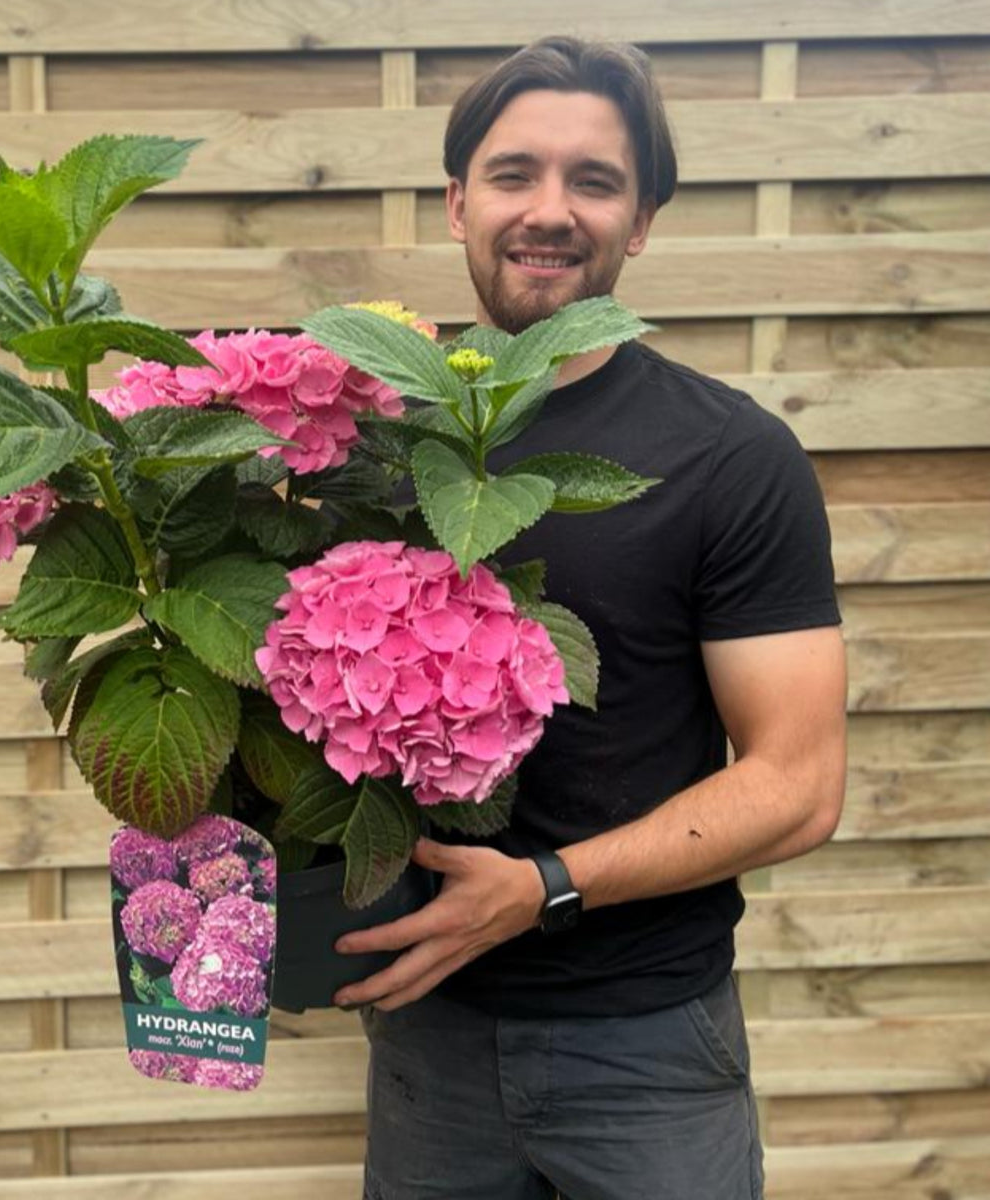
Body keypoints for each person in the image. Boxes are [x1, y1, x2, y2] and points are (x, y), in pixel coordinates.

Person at [332, 35, 848, 1200]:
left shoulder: (730, 457)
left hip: (647, 1051)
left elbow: (801, 782)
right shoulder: (372, 439)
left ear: (644, 218)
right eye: (515, 175)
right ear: (459, 201)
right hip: (427, 1041)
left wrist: (542, 888)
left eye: (595, 181)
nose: (549, 211)